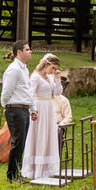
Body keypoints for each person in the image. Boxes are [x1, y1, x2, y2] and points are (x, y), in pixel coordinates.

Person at [22, 53, 62, 181]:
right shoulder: (35, 77)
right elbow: (31, 94)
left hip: (49, 107)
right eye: (53, 68)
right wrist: (32, 109)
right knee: (39, 135)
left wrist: (57, 78)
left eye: (55, 69)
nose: (54, 71)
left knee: (49, 135)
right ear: (46, 65)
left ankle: (48, 168)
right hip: (39, 106)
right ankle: (35, 168)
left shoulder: (50, 78)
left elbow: (57, 92)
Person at [0, 40, 34, 182]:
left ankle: (18, 172)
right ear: (19, 52)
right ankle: (12, 175)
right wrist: (5, 105)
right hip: (15, 108)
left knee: (22, 142)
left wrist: (32, 108)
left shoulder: (24, 68)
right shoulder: (14, 69)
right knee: (18, 142)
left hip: (24, 108)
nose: (30, 52)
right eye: (27, 49)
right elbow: (7, 89)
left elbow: (27, 90)